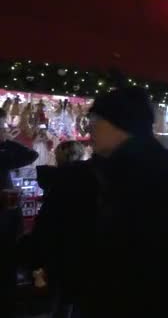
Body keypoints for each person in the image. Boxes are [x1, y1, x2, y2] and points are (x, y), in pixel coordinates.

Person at [84, 87, 168, 317]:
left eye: (96, 119)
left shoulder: (154, 176)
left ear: (119, 123)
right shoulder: (108, 171)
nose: (90, 128)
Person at [31, 140, 96, 318]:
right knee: (71, 298)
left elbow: (46, 219)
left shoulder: (52, 178)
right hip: (78, 246)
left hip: (57, 246)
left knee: (58, 295)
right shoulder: (87, 180)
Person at [0, 108, 38, 318]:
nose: (3, 129)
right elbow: (29, 154)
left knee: (8, 261)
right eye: (1, 126)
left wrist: (5, 142)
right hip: (4, 217)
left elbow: (31, 155)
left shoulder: (4, 154)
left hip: (7, 216)